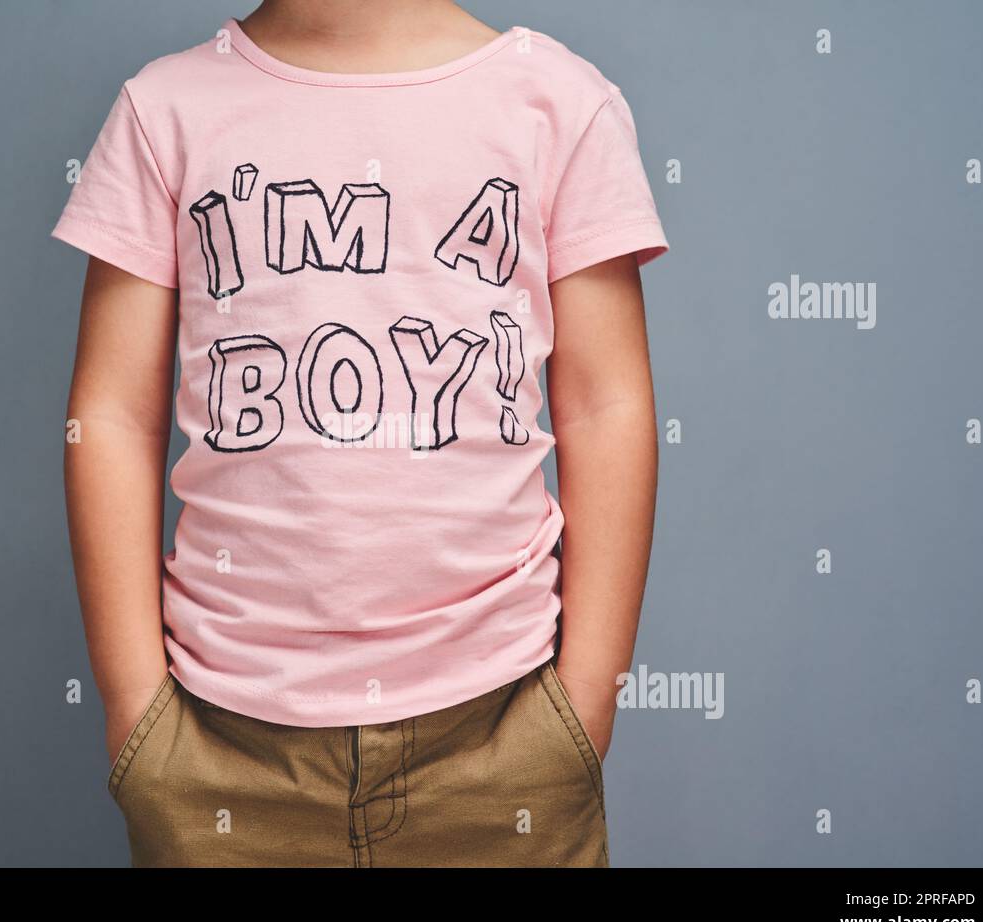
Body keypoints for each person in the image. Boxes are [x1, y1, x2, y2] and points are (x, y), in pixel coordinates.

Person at [52, 0, 668, 867]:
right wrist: (137, 718)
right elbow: (111, 415)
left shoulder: (560, 105)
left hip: (502, 730)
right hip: (223, 747)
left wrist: (581, 712)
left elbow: (607, 409)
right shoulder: (165, 112)